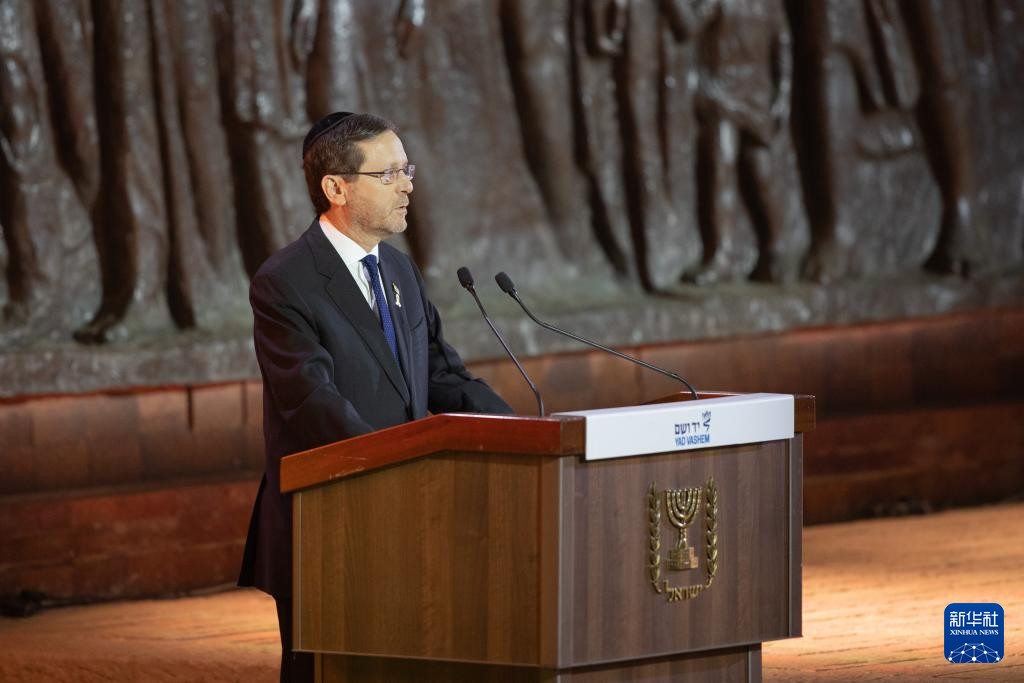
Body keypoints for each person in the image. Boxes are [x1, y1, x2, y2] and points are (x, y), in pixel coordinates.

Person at [237, 111, 513, 682]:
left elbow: (443, 377)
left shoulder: (399, 271)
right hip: (330, 522)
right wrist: (402, 475)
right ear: (336, 188)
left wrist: (526, 432)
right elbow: (312, 403)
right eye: (388, 174)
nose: (407, 186)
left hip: (407, 518)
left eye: (406, 170)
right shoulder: (286, 281)